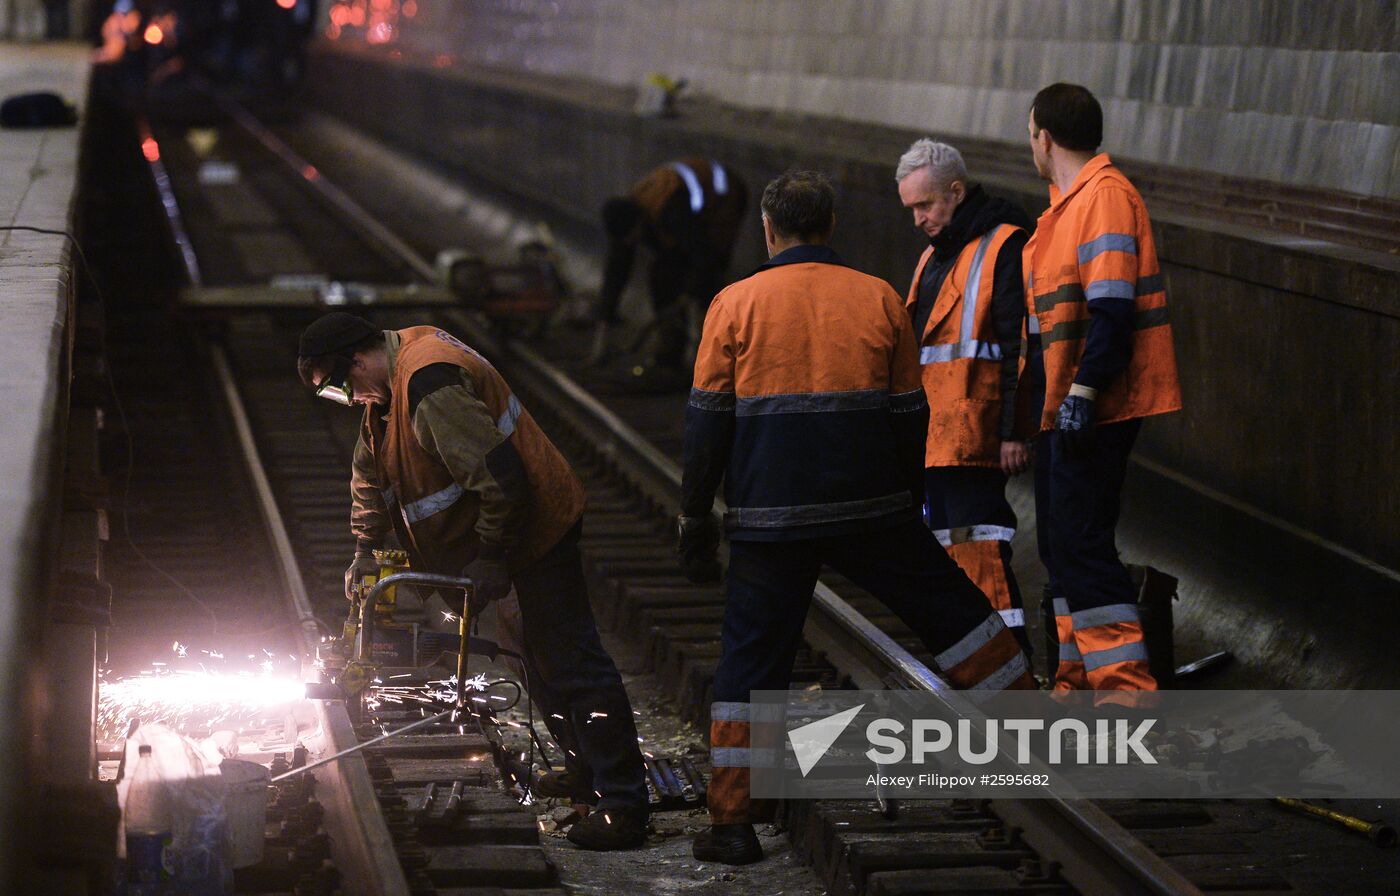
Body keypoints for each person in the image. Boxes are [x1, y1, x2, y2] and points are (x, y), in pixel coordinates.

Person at [678, 172, 1036, 866]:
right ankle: (1028, 726)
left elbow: (707, 426)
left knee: (750, 664)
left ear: (768, 227)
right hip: (872, 507)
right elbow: (911, 413)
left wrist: (697, 515)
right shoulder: (878, 298)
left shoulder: (734, 304)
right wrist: (907, 499)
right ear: (831, 224)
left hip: (769, 519)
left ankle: (732, 823)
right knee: (955, 612)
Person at [296, 313, 649, 850]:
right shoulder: (386, 389)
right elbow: (369, 472)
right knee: (529, 657)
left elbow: (502, 479)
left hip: (535, 529)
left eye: (345, 388)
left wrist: (490, 556)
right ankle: (587, 774)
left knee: (571, 660)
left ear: (358, 359)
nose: (352, 400)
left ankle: (623, 803)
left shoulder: (428, 383)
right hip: (511, 532)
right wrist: (365, 547)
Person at [1022, 83, 1182, 693]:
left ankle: (1123, 694)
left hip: (1094, 405)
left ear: (1045, 136)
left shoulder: (1104, 200)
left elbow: (1111, 308)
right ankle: (1076, 681)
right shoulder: (1068, 206)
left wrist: (1084, 394)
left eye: (1030, 136)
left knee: (1082, 544)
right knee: (1063, 546)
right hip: (1067, 403)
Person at [895, 138, 1035, 657]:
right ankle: (981, 669)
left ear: (955, 192)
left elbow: (1018, 346)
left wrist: (1013, 434)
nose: (918, 219)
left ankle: (1011, 667)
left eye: (925, 205)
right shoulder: (936, 254)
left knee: (981, 552)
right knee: (954, 555)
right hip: (939, 438)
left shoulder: (1003, 246)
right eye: (911, 208)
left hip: (975, 437)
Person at [595, 158, 747, 380]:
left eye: (634, 237)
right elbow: (617, 269)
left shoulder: (671, 211)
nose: (634, 243)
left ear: (640, 222)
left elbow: (702, 254)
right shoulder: (627, 217)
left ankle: (721, 364)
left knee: (710, 283)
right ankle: (669, 356)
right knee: (662, 277)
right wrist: (605, 317)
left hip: (723, 198)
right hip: (691, 213)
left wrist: (689, 292)